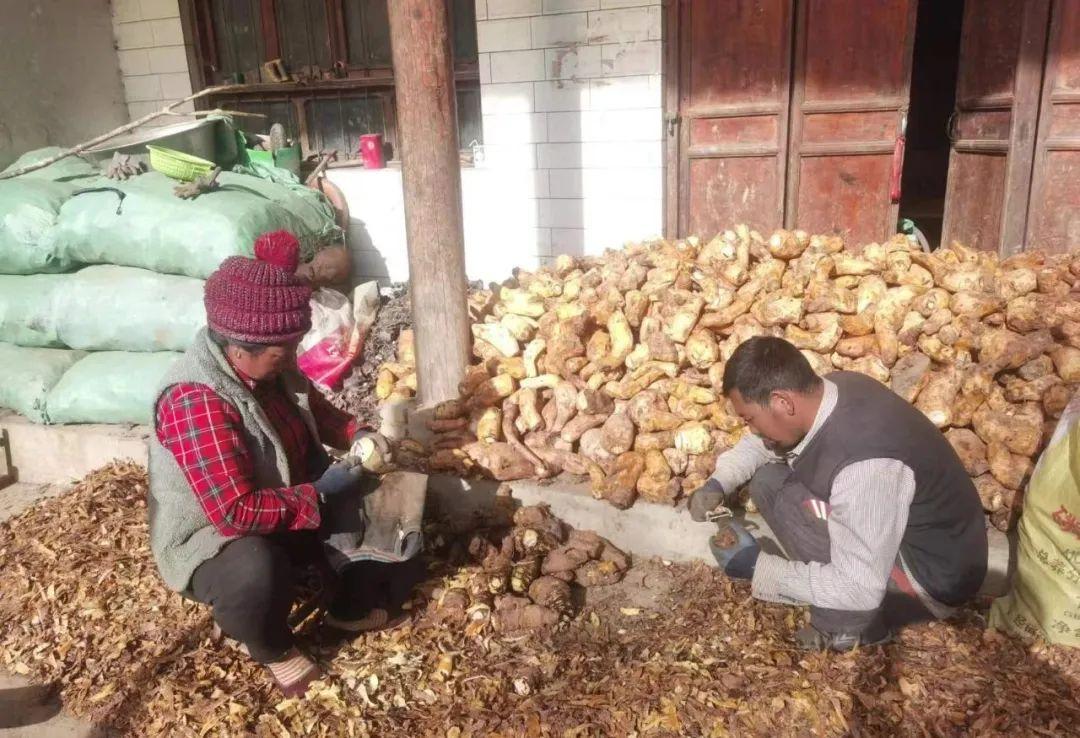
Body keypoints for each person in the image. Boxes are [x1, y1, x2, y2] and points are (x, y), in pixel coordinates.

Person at [148, 231, 382, 697]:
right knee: (257, 568)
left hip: (281, 502)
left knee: (368, 500)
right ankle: (271, 644)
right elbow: (235, 513)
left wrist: (358, 433)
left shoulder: (272, 366)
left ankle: (339, 599)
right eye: (283, 351)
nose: (292, 357)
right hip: (214, 533)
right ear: (240, 349)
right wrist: (318, 494)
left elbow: (321, 413)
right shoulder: (197, 399)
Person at [689, 336, 988, 651]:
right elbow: (761, 444)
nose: (752, 429)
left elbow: (858, 587)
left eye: (750, 419)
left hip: (926, 587)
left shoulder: (865, 466)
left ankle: (853, 629)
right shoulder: (834, 389)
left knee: (788, 499)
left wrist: (757, 568)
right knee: (768, 482)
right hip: (921, 544)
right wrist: (719, 482)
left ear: (782, 402)